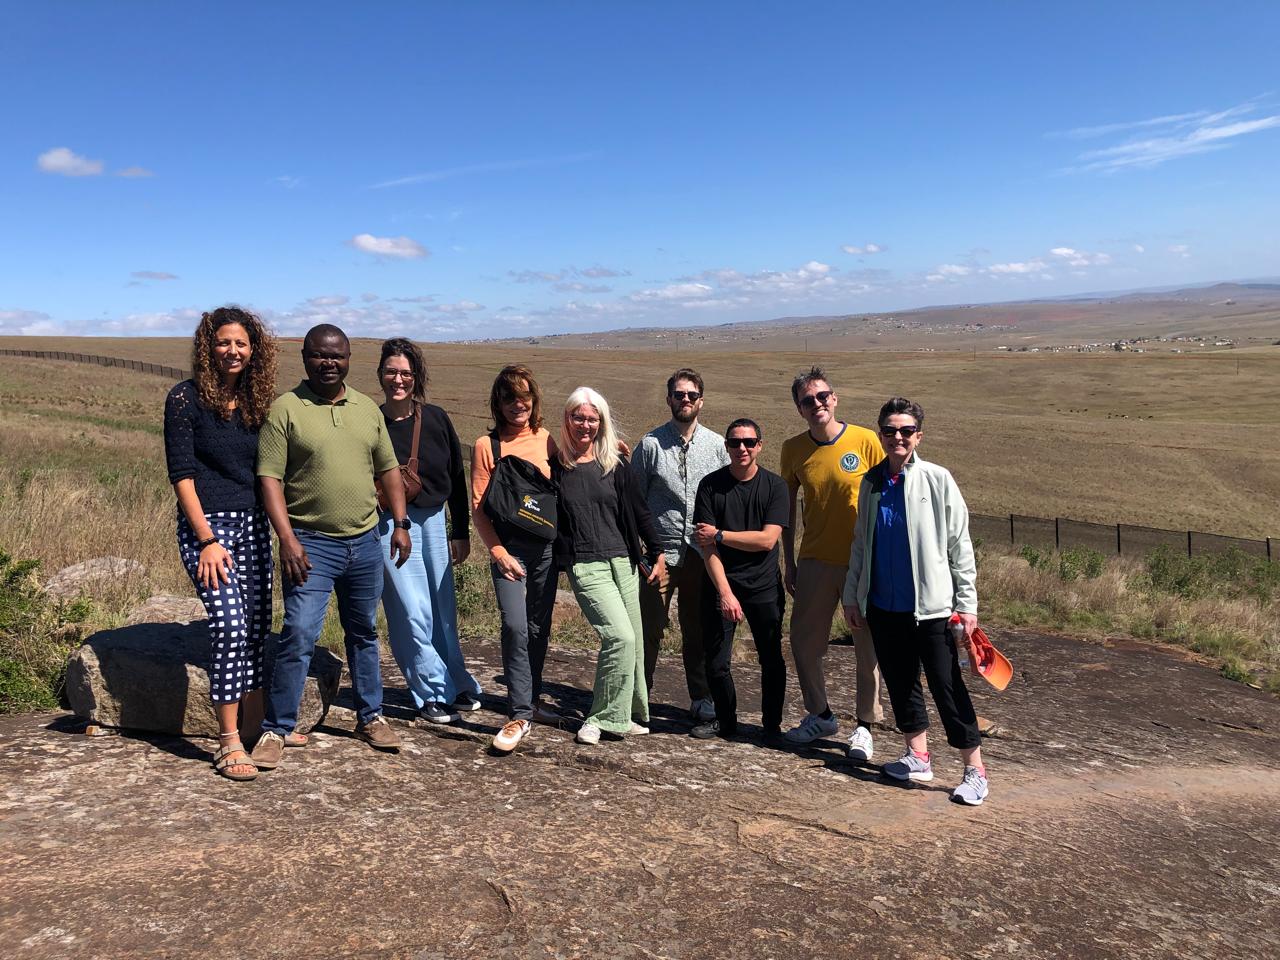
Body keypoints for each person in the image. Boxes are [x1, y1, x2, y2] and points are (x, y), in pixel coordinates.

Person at [251, 324, 412, 771]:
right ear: (305, 358)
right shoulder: (286, 409)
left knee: (363, 632)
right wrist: (287, 539)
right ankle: (277, 729)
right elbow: (270, 479)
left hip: (365, 541)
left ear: (348, 359)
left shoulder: (365, 409)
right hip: (310, 545)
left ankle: (371, 717)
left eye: (337, 356)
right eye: (320, 355)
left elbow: (389, 471)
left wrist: (400, 524)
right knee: (299, 632)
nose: (329, 363)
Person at [842, 398, 989, 805]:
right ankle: (917, 756)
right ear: (880, 435)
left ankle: (974, 770)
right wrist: (853, 595)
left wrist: (968, 604)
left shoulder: (937, 479)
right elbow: (861, 545)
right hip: (884, 606)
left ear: (918, 436)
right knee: (901, 682)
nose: (898, 438)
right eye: (889, 431)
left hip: (933, 609)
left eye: (906, 431)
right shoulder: (870, 483)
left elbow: (960, 545)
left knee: (947, 687)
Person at [164, 306, 278, 781]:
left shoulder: (258, 403)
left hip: (254, 525)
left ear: (255, 352)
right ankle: (227, 742)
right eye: (224, 342)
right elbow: (182, 476)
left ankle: (253, 731)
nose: (233, 351)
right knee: (230, 625)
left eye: (242, 344)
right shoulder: (185, 399)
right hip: (208, 529)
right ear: (208, 346)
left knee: (254, 628)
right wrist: (207, 539)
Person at [376, 338, 483, 724]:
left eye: (406, 372)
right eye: (392, 371)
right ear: (380, 375)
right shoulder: (372, 421)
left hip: (434, 519)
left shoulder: (436, 419)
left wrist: (461, 530)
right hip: (389, 523)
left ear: (416, 377)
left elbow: (456, 473)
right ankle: (430, 692)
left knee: (442, 609)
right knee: (410, 610)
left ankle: (455, 680)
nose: (398, 379)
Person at [779, 366, 885, 758]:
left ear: (834, 398)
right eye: (808, 400)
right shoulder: (793, 450)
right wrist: (788, 562)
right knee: (804, 643)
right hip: (815, 559)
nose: (817, 404)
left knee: (866, 645)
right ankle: (820, 714)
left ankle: (865, 725)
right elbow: (786, 513)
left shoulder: (866, 440)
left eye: (823, 397)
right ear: (799, 408)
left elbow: (889, 495)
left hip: (862, 561)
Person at [553, 387, 666, 745]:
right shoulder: (555, 467)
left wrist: (658, 550)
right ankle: (600, 717)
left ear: (601, 422)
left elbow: (639, 510)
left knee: (634, 645)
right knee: (620, 636)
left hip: (624, 562)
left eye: (592, 418)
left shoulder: (615, 463)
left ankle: (627, 715)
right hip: (586, 565)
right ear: (567, 419)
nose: (585, 425)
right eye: (578, 417)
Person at [630, 368, 729, 723]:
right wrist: (639, 549)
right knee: (648, 627)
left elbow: (727, 498)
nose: (684, 400)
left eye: (691, 394)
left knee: (697, 628)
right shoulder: (651, 445)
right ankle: (639, 695)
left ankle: (701, 696)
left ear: (701, 400)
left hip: (702, 554)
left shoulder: (718, 446)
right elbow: (634, 500)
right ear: (668, 398)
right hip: (659, 554)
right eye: (678, 394)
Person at [471, 364, 560, 753]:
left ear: (534, 400)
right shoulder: (486, 446)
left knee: (539, 628)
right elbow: (478, 508)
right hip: (508, 551)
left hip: (546, 551)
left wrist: (613, 449)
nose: (517, 404)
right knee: (515, 627)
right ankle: (520, 712)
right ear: (498, 403)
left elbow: (575, 474)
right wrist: (498, 552)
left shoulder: (548, 441)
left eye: (523, 396)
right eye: (509, 397)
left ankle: (532, 701)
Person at [690, 419, 790, 741]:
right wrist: (725, 592)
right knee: (717, 661)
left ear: (760, 445)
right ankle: (725, 721)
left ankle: (771, 726)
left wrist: (720, 534)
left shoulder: (775, 487)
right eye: (735, 443)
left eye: (749, 442)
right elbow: (707, 549)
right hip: (722, 582)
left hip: (763, 586)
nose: (742, 448)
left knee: (771, 658)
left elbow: (767, 541)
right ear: (727, 446)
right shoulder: (710, 486)